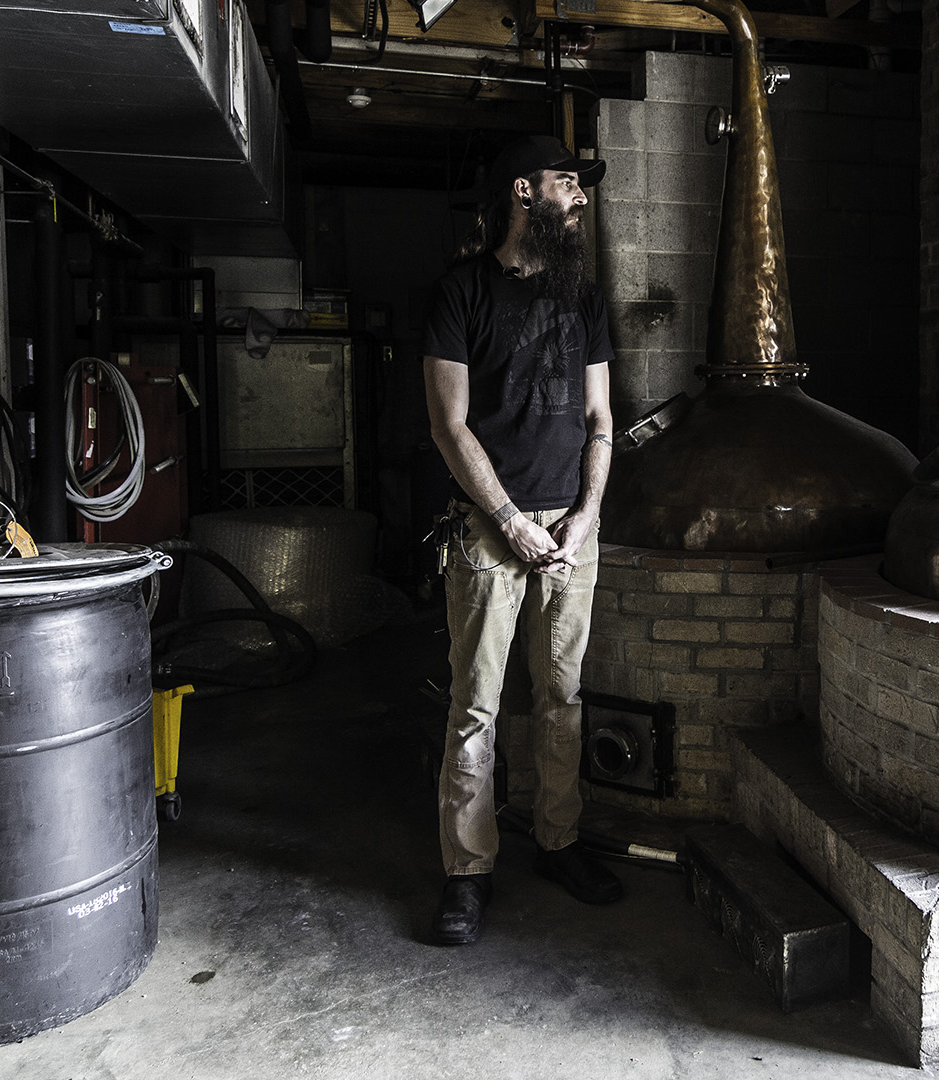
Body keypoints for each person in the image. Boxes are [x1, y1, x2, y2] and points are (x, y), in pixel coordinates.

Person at [421, 135, 621, 946]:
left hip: (572, 531)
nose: (580, 198)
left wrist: (585, 516)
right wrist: (507, 520)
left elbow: (603, 420)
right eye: (566, 183)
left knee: (561, 700)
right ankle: (467, 872)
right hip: (487, 530)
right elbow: (449, 423)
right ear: (522, 192)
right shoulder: (461, 291)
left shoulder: (585, 298)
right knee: (476, 707)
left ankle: (559, 840)